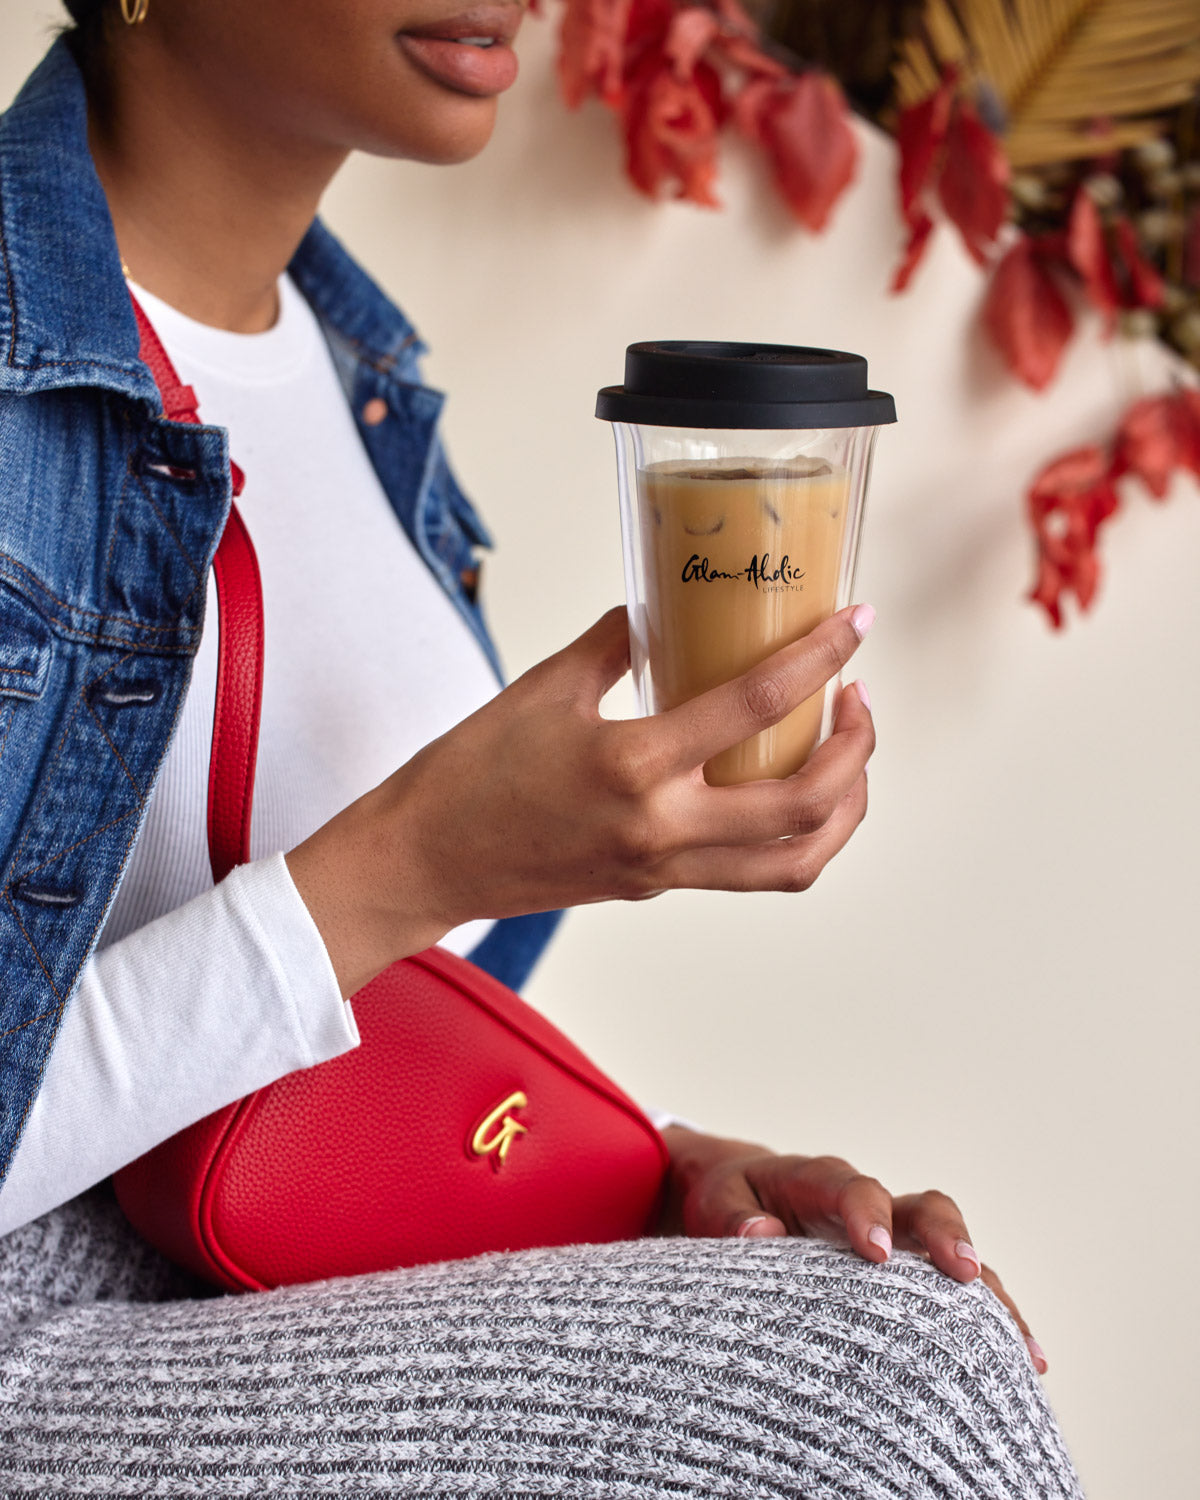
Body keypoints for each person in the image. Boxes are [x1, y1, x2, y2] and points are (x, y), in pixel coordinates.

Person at [0, 1, 1084, 1494]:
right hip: (33, 1329)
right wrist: (408, 863)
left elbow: (341, 1053)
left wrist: (640, 1171)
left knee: (891, 1306)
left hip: (251, 1280)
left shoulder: (360, 377)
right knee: (899, 1388)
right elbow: (335, 921)